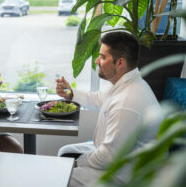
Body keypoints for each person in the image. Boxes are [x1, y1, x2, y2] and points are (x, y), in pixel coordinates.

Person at [56, 32, 161, 187]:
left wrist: (79, 162)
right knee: (64, 152)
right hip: (117, 157)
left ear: (120, 63)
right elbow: (99, 98)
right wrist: (72, 95)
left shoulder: (127, 102)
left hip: (126, 173)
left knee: (60, 177)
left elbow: (108, 156)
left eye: (103, 57)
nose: (97, 61)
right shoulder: (125, 83)